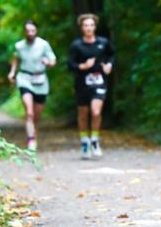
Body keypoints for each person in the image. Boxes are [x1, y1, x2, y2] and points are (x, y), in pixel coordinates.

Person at [67, 13, 115, 160]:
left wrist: (109, 65)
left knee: (95, 111)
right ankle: (84, 142)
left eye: (91, 25)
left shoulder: (103, 42)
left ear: (95, 27)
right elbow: (70, 65)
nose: (89, 28)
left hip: (99, 81)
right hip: (82, 83)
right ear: (81, 28)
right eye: (86, 25)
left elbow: (112, 55)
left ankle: (94, 140)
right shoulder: (76, 45)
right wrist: (82, 66)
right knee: (83, 114)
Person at [7, 20, 56, 151]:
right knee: (29, 112)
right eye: (28, 31)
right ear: (24, 32)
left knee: (36, 116)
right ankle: (31, 140)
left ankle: (34, 137)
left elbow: (53, 60)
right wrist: (12, 72)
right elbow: (16, 58)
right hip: (25, 78)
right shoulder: (19, 46)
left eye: (32, 30)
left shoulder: (43, 44)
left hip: (40, 80)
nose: (30, 33)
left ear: (36, 31)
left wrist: (48, 62)